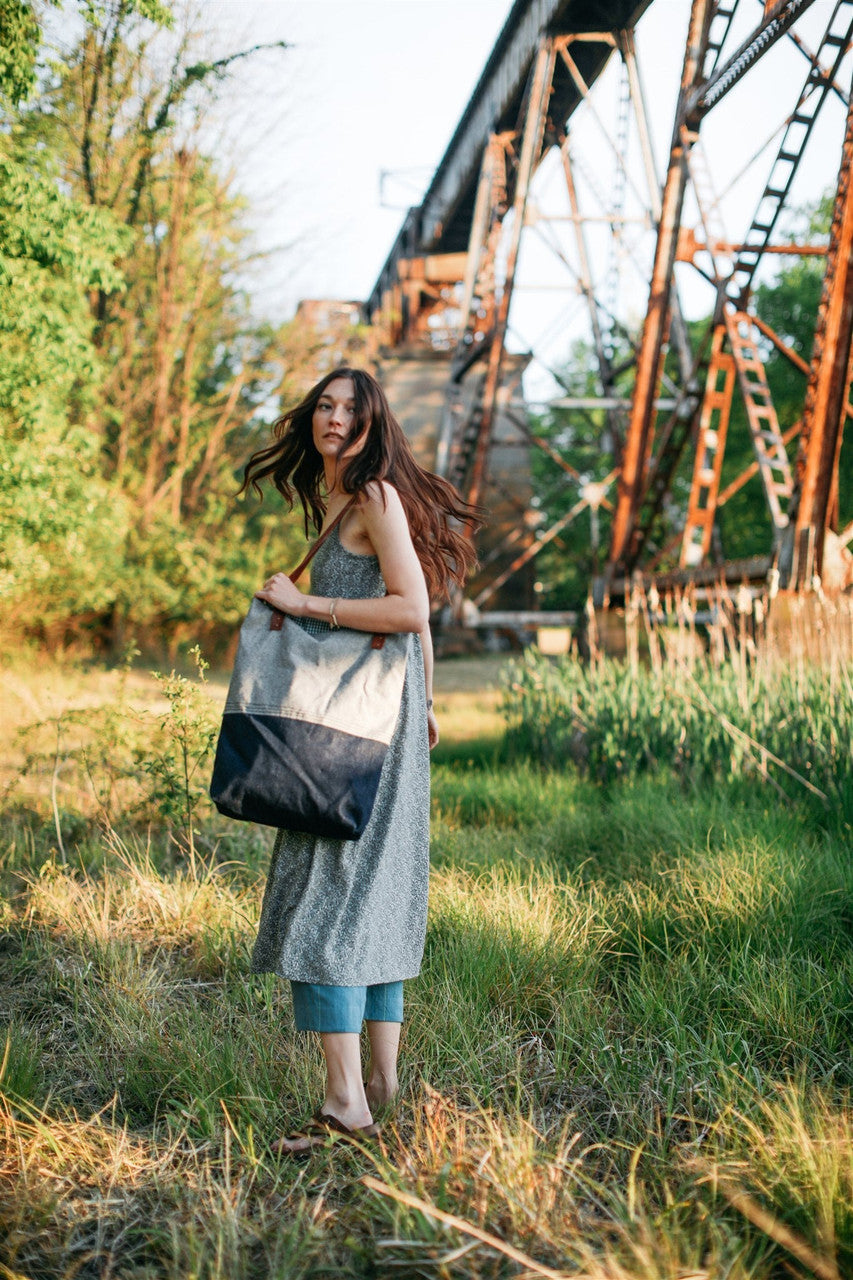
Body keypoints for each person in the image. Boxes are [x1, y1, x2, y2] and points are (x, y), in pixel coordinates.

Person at [242, 366, 478, 1155]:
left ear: (374, 422)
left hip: (358, 731)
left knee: (325, 902)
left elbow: (412, 609)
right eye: (324, 406)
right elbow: (419, 618)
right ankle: (380, 1091)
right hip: (380, 718)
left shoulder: (372, 498)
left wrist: (304, 604)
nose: (334, 418)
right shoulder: (346, 499)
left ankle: (346, 1106)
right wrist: (431, 701)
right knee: (370, 896)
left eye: (350, 408)